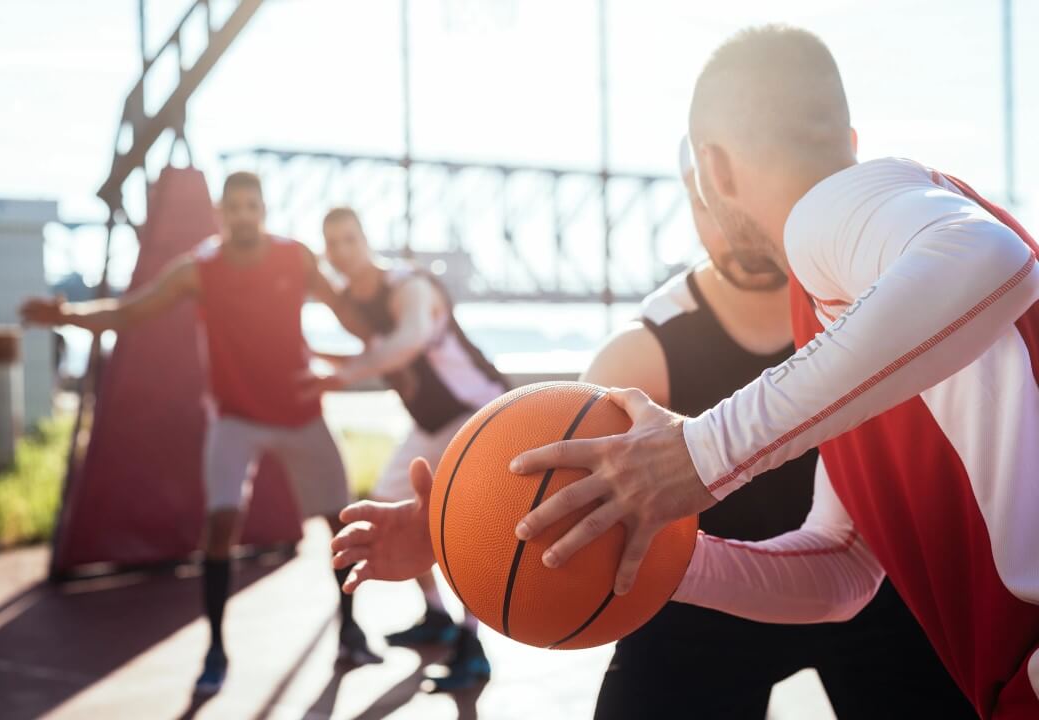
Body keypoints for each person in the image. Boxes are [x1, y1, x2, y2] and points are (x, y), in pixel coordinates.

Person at [331, 26, 1039, 718]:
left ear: (715, 170)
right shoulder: (845, 311)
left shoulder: (841, 211)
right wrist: (496, 533)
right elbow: (843, 570)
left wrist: (702, 451)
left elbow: (986, 259)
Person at [586, 139, 971, 718]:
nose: (728, 218)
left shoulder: (889, 309)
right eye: (705, 199)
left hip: (875, 587)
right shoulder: (641, 354)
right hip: (702, 611)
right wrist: (450, 527)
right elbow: (548, 493)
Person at [20, 171, 382, 698]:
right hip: (234, 419)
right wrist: (69, 315)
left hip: (300, 413)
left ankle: (350, 629)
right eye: (232, 207)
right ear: (220, 212)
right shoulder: (199, 270)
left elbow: (349, 313)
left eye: (251, 205)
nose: (242, 215)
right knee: (219, 527)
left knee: (340, 521)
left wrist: (400, 336)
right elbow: (131, 312)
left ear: (263, 209)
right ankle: (215, 649)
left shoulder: (295, 257)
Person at [307, 206, 508, 691]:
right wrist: (308, 354)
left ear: (366, 239)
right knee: (391, 509)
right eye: (332, 243)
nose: (342, 251)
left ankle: (471, 644)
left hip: (479, 414)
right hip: (431, 425)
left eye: (350, 239)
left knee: (464, 530)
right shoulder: (362, 305)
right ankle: (436, 615)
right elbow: (374, 353)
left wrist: (337, 376)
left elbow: (409, 340)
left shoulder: (408, 287)